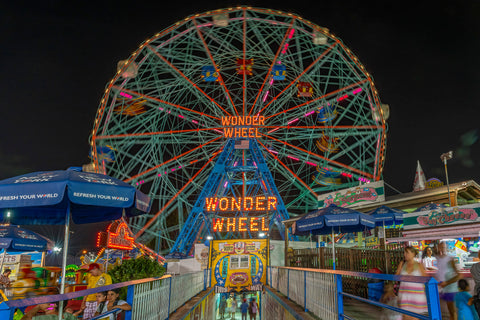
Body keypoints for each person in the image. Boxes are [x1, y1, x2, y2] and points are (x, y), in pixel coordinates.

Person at [396, 246, 428, 320]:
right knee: (405, 317)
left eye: (407, 252)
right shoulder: (402, 264)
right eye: (404, 252)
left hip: (416, 296)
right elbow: (396, 277)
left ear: (413, 254)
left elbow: (426, 279)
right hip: (404, 295)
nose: (405, 254)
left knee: (414, 318)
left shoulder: (419, 265)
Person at [436, 241, 462, 320]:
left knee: (452, 311)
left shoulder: (450, 259)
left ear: (446, 248)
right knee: (447, 310)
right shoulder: (438, 258)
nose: (442, 249)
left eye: (444, 247)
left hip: (450, 288)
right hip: (443, 287)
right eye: (440, 247)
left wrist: (447, 283)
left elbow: (459, 275)